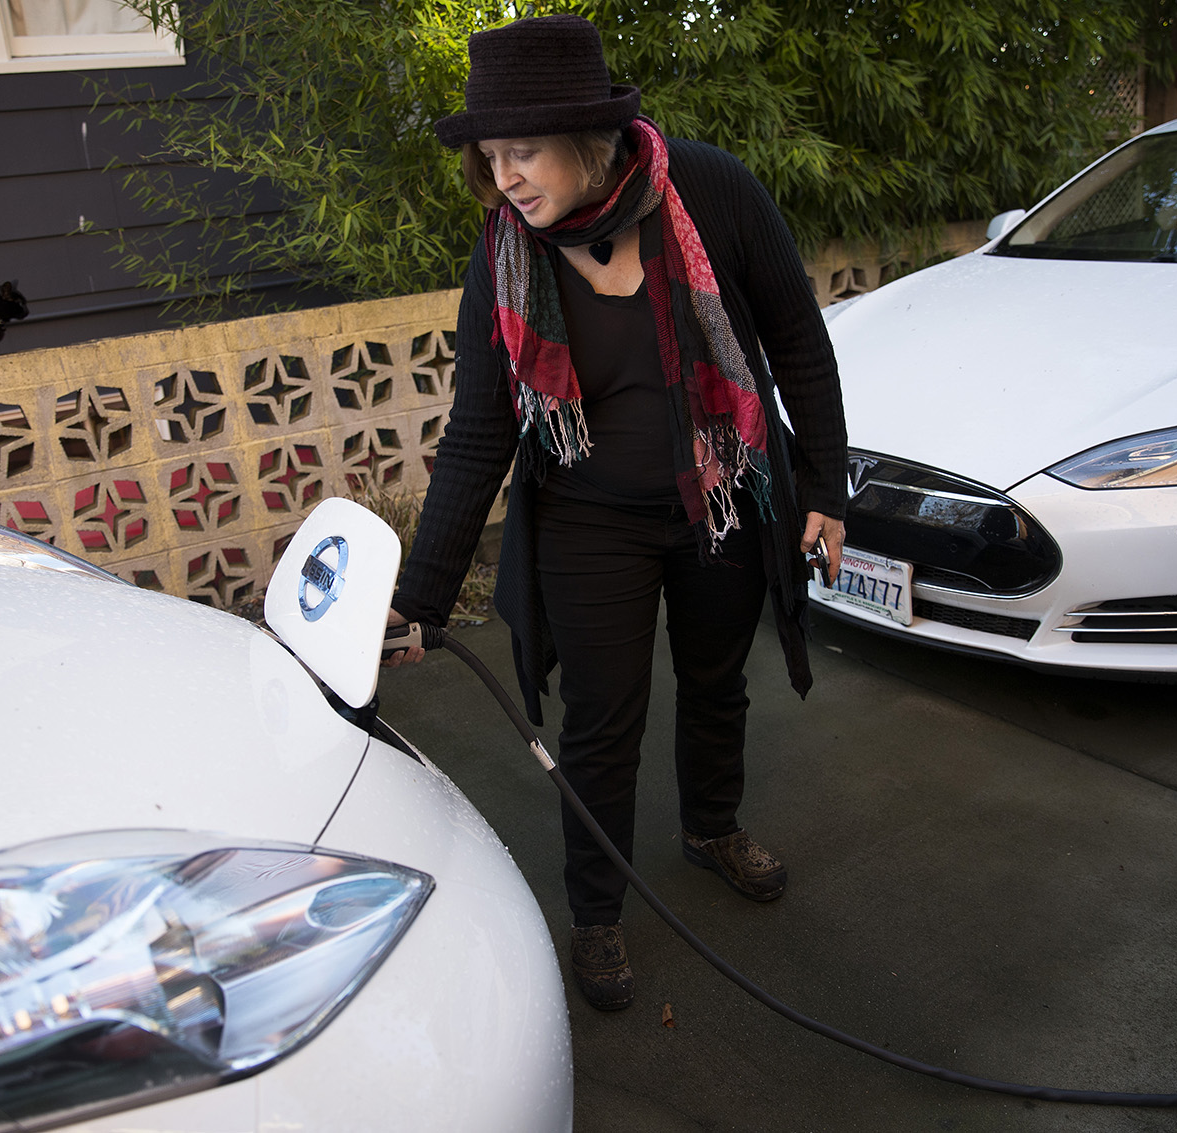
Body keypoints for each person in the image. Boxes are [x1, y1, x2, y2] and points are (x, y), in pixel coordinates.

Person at [385, 13, 848, 1012]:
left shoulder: (711, 190)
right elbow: (479, 429)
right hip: (588, 518)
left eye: (521, 151)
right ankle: (595, 910)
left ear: (585, 139)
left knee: (717, 681)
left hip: (719, 495)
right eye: (489, 157)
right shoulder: (506, 252)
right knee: (601, 720)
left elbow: (797, 341)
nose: (503, 177)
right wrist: (418, 597)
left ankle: (710, 826)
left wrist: (823, 488)